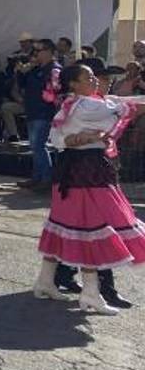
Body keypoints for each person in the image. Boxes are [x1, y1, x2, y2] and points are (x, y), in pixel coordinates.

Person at [33, 64, 145, 314]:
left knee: (65, 225)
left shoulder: (70, 104)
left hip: (70, 171)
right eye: (89, 77)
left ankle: (46, 281)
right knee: (92, 227)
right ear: (74, 83)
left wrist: (79, 138)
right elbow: (126, 107)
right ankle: (91, 293)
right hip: (87, 171)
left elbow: (58, 138)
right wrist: (86, 138)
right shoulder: (87, 106)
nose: (95, 81)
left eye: (95, 77)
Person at [19, 40, 62, 192]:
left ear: (50, 52)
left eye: (39, 50)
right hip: (32, 110)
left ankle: (46, 178)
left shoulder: (54, 69)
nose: (36, 54)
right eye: (34, 51)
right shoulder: (35, 69)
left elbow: (55, 90)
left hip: (44, 112)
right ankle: (37, 177)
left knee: (39, 145)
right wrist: (22, 71)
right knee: (34, 146)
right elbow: (22, 85)